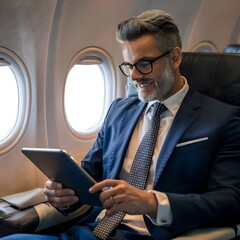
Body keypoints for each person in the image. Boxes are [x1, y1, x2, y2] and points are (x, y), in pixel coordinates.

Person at [2, 8, 240, 240]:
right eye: (129, 65)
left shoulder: (221, 118)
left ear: (175, 58)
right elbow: (89, 176)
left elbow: (231, 200)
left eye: (144, 64)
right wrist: (64, 195)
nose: (134, 76)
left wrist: (152, 203)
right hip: (91, 230)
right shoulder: (118, 111)